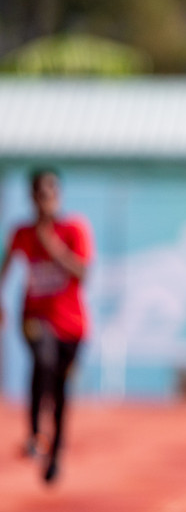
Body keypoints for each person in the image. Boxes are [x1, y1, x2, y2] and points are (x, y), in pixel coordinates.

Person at [0, 169, 93, 485]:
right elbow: (6, 266)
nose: (46, 199)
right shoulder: (22, 233)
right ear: (31, 197)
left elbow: (83, 273)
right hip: (35, 317)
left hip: (72, 326)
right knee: (43, 358)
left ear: (60, 195)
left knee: (62, 390)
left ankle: (55, 454)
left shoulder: (74, 229)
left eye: (52, 192)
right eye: (40, 193)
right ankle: (35, 432)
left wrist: (52, 247)